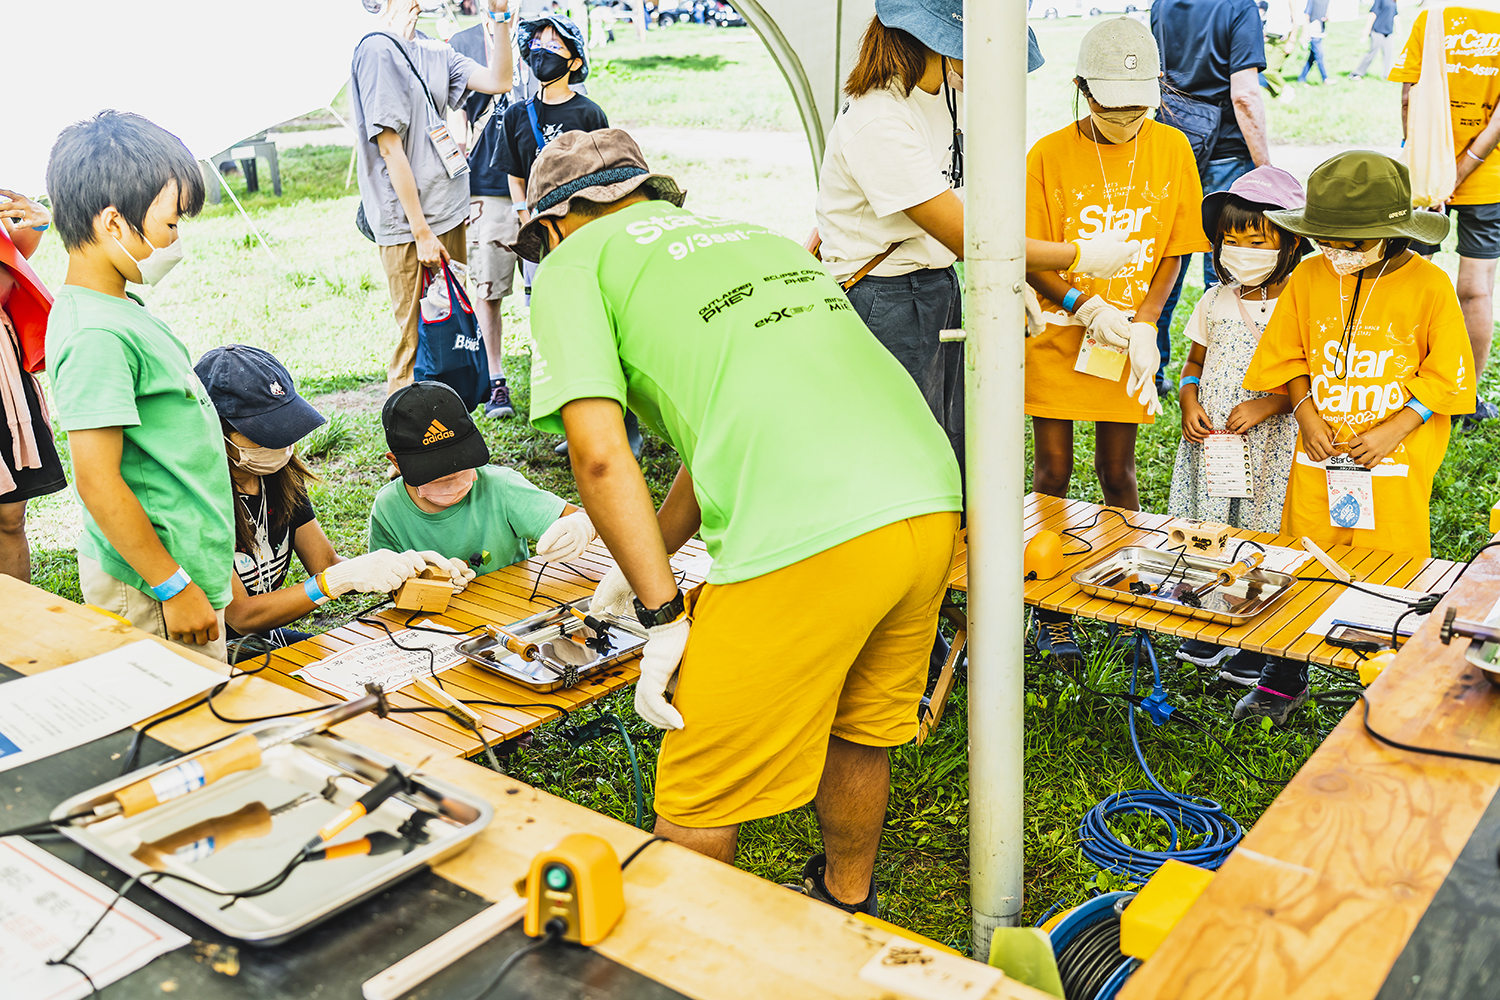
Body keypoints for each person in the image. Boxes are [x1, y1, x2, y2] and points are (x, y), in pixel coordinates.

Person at [517, 128, 963, 915]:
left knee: (698, 789)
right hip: (927, 498)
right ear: (647, 191)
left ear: (550, 226)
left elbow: (597, 456)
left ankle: (687, 966)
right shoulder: (754, 238)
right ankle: (843, 899)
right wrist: (647, 554)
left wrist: (663, 613)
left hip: (808, 532)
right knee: (860, 725)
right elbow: (718, 426)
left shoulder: (570, 268)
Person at [816, 0, 1139, 492]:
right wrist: (1080, 256)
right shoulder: (878, 119)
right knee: (909, 454)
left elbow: (986, 206)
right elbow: (968, 235)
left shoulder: (950, 93)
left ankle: (957, 559)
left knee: (953, 446)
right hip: (883, 297)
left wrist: (1041, 287)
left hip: (937, 284)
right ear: (937, 43)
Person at [1240, 150, 1474, 724]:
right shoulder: (1308, 277)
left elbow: (1448, 375)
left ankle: (1386, 666)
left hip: (1392, 463)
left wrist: (1395, 430)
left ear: (1392, 235)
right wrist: (1305, 411)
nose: (1336, 254)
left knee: (1390, 564)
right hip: (1318, 456)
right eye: (1325, 241)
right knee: (1304, 553)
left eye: (1350, 244)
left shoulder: (1430, 287)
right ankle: (1286, 669)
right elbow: (1290, 352)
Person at [1025, 17, 1211, 662]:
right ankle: (1049, 601)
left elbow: (1174, 252)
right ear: (1081, 89)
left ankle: (1131, 588)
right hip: (1059, 331)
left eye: (1137, 110)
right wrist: (1086, 302)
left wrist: (1144, 323)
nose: (1124, 121)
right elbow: (1028, 258)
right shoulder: (1047, 155)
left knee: (1119, 469)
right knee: (1052, 469)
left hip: (1124, 341)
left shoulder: (1172, 149)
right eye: (1110, 108)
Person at [44, 112, 231, 659]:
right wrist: (171, 584)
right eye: (170, 224)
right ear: (113, 224)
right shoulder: (96, 335)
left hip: (177, 570)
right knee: (179, 731)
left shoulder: (120, 306)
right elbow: (97, 482)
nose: (177, 238)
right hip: (150, 588)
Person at [196, 345, 460, 657]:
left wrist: (407, 570)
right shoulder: (198, 500)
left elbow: (326, 564)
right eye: (264, 433)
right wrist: (332, 582)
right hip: (210, 650)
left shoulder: (281, 478)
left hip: (263, 637)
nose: (281, 443)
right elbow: (241, 616)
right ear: (216, 430)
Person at [1168, 167, 1306, 684]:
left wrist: (1267, 405)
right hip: (1215, 444)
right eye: (1230, 240)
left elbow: (1307, 374)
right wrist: (1187, 401)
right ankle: (1208, 616)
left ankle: (1252, 630)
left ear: (1291, 244)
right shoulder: (1214, 300)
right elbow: (1193, 365)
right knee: (1211, 525)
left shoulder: (1300, 301)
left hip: (1269, 444)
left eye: (1256, 240)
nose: (1240, 251)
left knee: (1259, 532)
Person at [351, 0, 515, 395]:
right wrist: (421, 232)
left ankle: (450, 446)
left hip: (449, 214)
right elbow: (390, 148)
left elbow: (500, 81)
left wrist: (500, 17)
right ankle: (408, 451)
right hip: (409, 227)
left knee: (449, 338)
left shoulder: (434, 49)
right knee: (415, 344)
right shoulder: (377, 49)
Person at [1151, 0, 1271, 392]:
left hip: (1175, 141)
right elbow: (1245, 96)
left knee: (1167, 262)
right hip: (1225, 149)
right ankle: (1223, 375)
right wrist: (1266, 168)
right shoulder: (1239, 7)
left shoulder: (1162, 4)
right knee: (1228, 270)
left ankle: (1151, 368)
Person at [1391, 4, 1500, 423]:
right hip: (1488, 177)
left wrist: (1434, 171)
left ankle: (1404, 389)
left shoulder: (1432, 15)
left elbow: (1408, 99)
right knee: (1477, 289)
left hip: (1423, 178)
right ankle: (1465, 399)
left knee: (1411, 282)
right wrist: (1462, 171)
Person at [370, 380, 597, 572]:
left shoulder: (501, 488)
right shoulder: (388, 509)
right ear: (397, 463)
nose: (452, 481)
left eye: (461, 469)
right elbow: (387, 581)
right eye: (437, 477)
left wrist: (584, 525)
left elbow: (588, 521)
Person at [497, 13, 606, 302]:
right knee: (545, 302)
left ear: (575, 62)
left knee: (586, 296)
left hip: (583, 226)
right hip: (538, 227)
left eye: (555, 46)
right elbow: (515, 175)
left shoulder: (590, 113)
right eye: (536, 43)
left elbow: (606, 173)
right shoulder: (516, 115)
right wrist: (525, 221)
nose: (543, 51)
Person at [450, 14, 521, 418]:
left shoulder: (543, 32)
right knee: (488, 289)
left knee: (546, 291)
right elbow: (454, 114)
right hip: (486, 186)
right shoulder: (461, 40)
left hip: (541, 185)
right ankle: (495, 381)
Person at [0, 191, 67, 582]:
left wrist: (36, 222)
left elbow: (11, 264)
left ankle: (13, 627)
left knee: (10, 515)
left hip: (5, 374)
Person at [1349, 0, 1398, 80]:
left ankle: (1387, 76)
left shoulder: (1394, 1)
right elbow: (1373, 13)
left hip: (1388, 32)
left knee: (1388, 54)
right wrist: (1367, 28)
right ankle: (1357, 73)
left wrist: (1399, 29)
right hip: (1377, 30)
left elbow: (1395, 15)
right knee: (1372, 53)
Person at [1297, 0, 1332, 85]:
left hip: (1320, 29)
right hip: (1313, 29)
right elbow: (1307, 14)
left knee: (1313, 56)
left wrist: (1326, 17)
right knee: (1319, 54)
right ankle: (1325, 78)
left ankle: (1301, 78)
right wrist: (1304, 32)